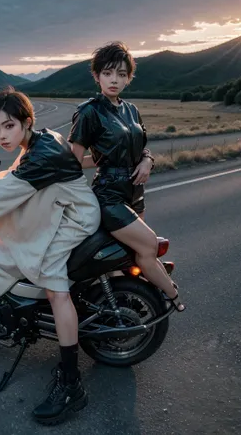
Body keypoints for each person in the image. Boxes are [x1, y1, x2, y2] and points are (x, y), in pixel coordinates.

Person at [0, 87, 100, 425]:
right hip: (67, 207)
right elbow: (12, 178)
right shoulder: (41, 140)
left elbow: (8, 189)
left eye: (9, 126)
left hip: (75, 216)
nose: (2, 135)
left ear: (26, 121)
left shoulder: (40, 154)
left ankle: (70, 384)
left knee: (55, 289)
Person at [68, 42, 185, 312]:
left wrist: (147, 159)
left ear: (129, 78)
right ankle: (172, 296)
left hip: (135, 192)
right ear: (96, 75)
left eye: (122, 74)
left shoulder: (131, 109)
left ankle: (121, 308)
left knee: (126, 259)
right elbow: (74, 161)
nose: (114, 80)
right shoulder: (89, 111)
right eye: (108, 73)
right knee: (148, 246)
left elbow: (139, 147)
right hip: (109, 195)